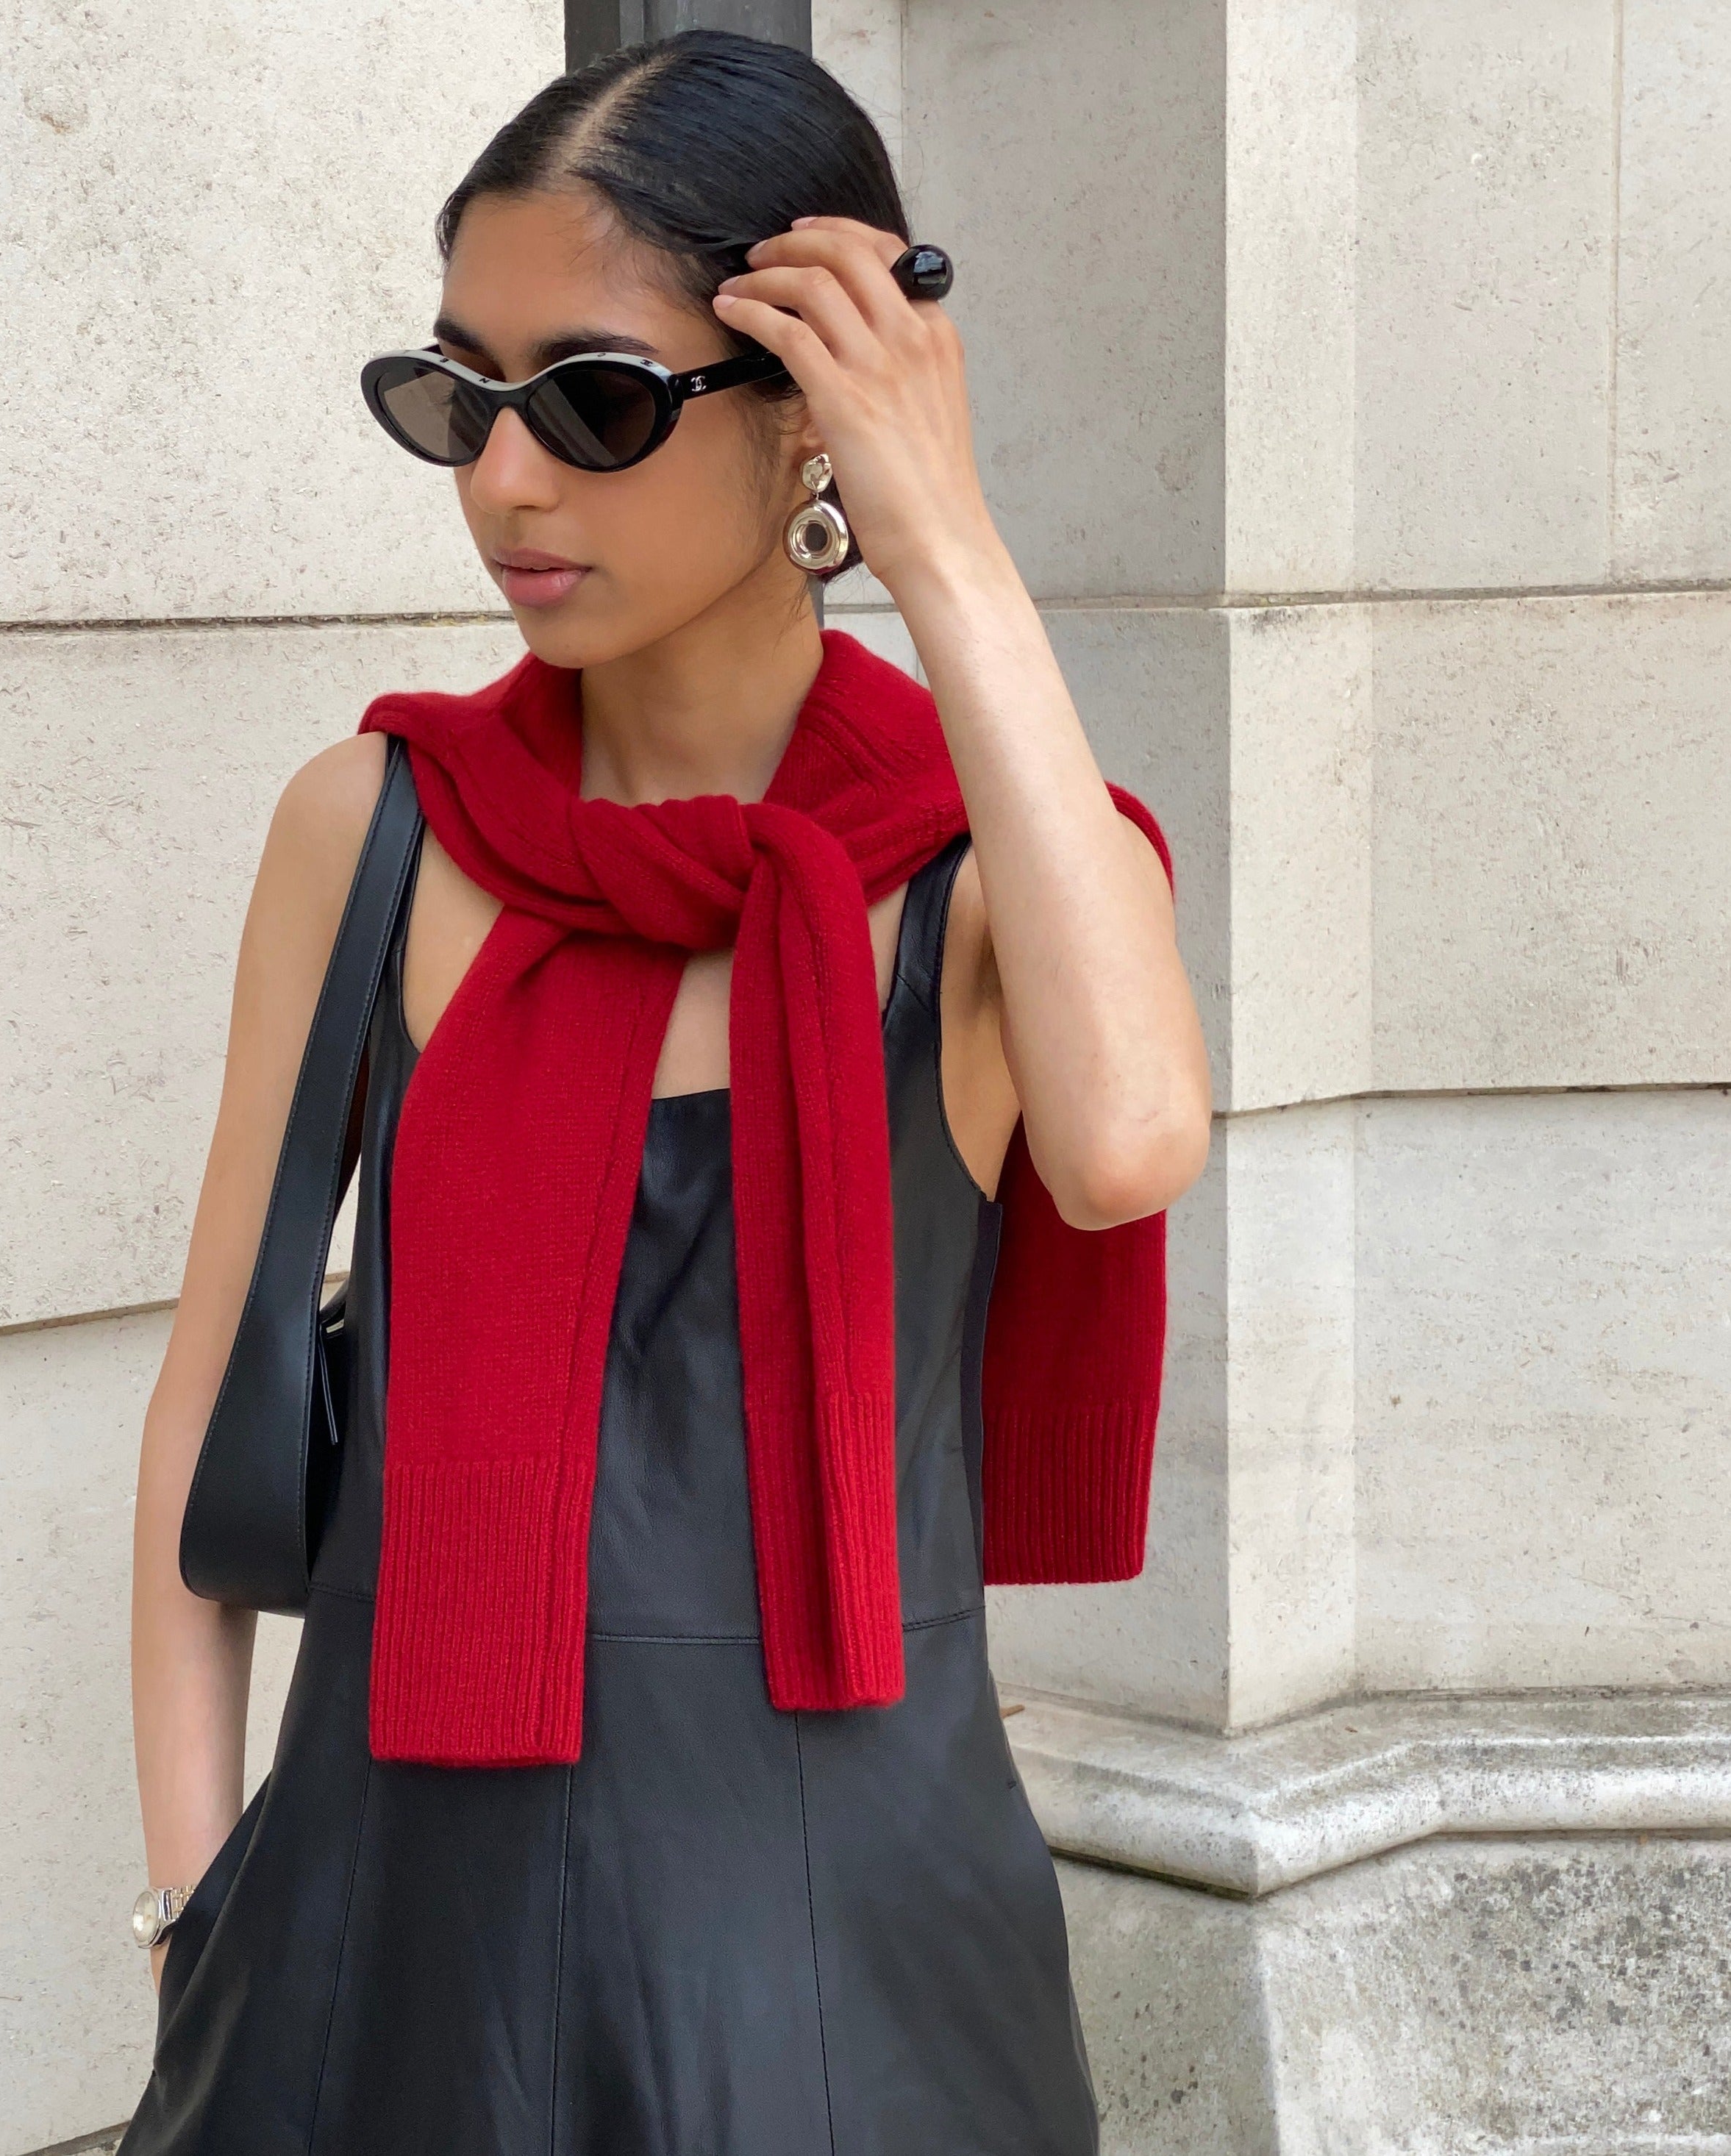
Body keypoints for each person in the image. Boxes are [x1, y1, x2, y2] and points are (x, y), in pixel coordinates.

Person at [119, 29, 1210, 2156]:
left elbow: (1126, 1137)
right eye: (458, 398)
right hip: (370, 1954)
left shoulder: (986, 874)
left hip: (843, 1973)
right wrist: (191, 1907)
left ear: (811, 410)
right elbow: (204, 1400)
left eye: (595, 404)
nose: (505, 482)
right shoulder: (376, 823)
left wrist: (951, 544)